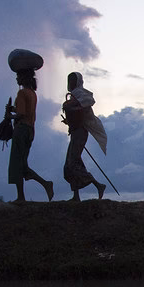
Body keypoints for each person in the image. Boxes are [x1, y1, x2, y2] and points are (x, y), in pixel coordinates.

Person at [7, 69, 54, 203]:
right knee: (22, 164)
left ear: (23, 78)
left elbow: (21, 114)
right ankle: (45, 184)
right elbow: (26, 111)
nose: (16, 79)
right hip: (30, 130)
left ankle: (21, 197)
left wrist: (10, 115)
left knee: (17, 163)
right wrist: (14, 109)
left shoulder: (22, 93)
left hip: (21, 129)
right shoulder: (32, 93)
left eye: (18, 77)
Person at [62, 72, 106, 201]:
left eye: (72, 80)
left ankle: (96, 183)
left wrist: (72, 106)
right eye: (69, 80)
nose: (70, 83)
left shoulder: (81, 94)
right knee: (69, 164)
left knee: (72, 162)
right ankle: (76, 195)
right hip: (76, 131)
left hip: (80, 132)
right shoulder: (74, 96)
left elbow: (87, 102)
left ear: (77, 82)